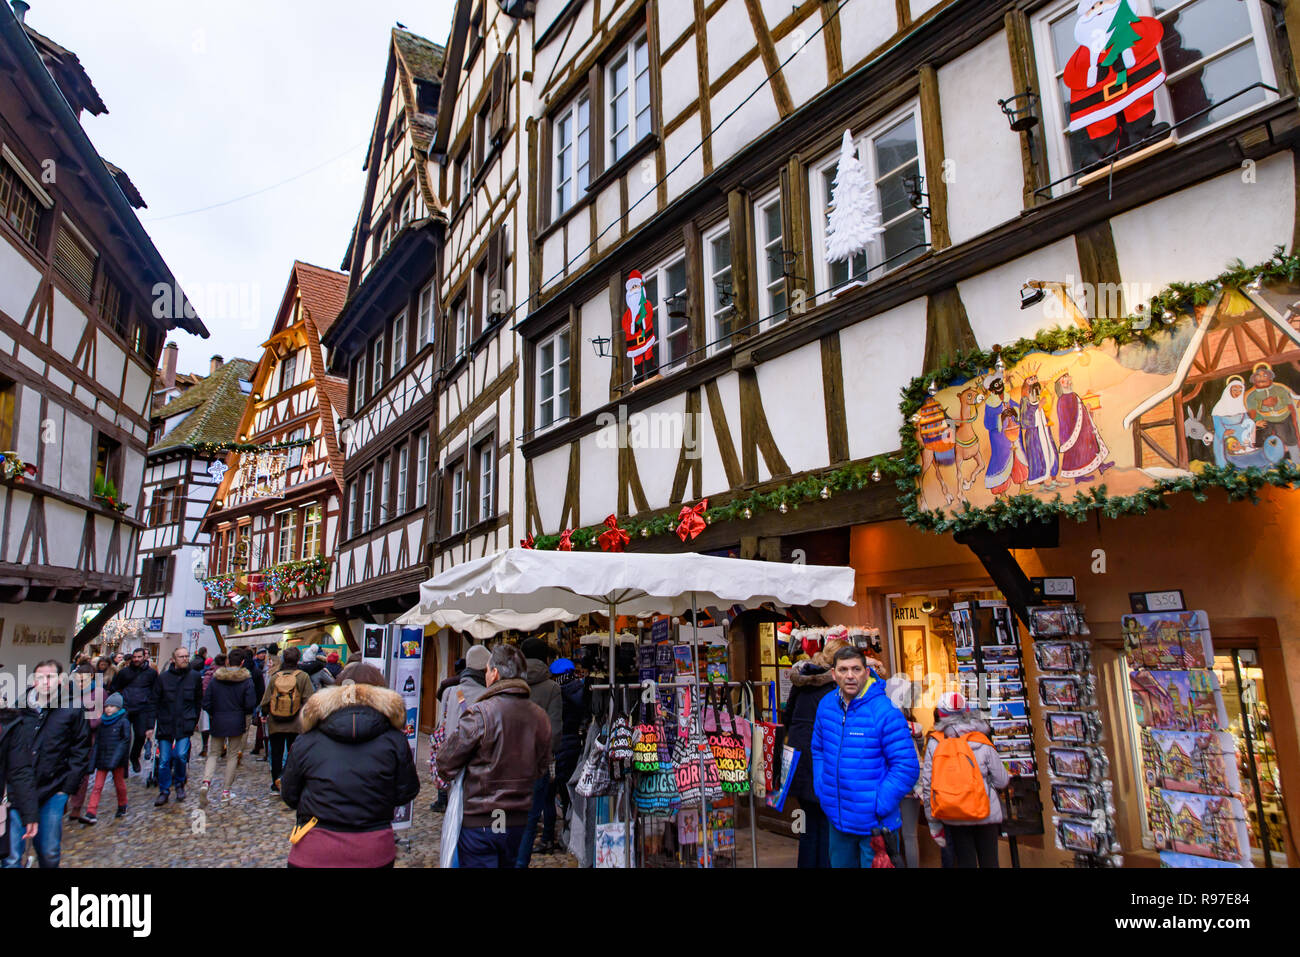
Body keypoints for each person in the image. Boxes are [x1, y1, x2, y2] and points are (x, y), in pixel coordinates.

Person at [280, 663, 420, 868]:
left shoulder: (307, 739)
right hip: (373, 849)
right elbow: (406, 791)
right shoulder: (394, 740)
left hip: (316, 849)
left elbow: (290, 795)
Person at [436, 644, 552, 868]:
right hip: (517, 820)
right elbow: (541, 767)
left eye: (487, 670)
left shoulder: (481, 713)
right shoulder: (540, 717)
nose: (486, 675)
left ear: (495, 673)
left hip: (482, 819)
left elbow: (445, 763)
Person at [811, 646, 919, 868]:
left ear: (866, 672)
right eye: (843, 669)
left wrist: (879, 803)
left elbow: (906, 766)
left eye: (856, 669)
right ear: (833, 674)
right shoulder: (826, 706)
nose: (849, 676)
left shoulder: (885, 712)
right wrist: (822, 788)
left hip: (875, 826)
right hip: (838, 819)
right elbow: (818, 749)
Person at [2, 661, 91, 868]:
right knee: (12, 855)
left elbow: (81, 750)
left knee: (49, 851)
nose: (45, 682)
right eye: (40, 677)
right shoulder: (20, 708)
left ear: (60, 680)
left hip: (52, 789)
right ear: (34, 680)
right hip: (18, 790)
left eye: (50, 677)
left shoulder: (72, 709)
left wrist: (66, 788)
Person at [920, 692, 1010, 868]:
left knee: (964, 861)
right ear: (967, 712)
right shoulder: (981, 740)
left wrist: (933, 822)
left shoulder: (935, 743)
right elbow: (1001, 780)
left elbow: (928, 785)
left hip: (954, 813)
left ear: (941, 714)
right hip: (986, 812)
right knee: (990, 861)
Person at [783, 640, 845, 868]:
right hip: (823, 762)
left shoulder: (801, 683)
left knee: (809, 826)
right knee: (828, 826)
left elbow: (787, 718)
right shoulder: (834, 689)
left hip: (800, 762)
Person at [518, 638, 562, 866]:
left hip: (508, 763)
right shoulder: (552, 688)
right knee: (530, 820)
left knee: (505, 819)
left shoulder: (512, 683)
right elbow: (555, 733)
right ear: (546, 658)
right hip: (537, 764)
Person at [431, 645, 490, 813]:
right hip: (478, 766)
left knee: (456, 812)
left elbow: (444, 726)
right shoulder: (487, 695)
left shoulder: (451, 692)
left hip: (454, 763)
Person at [200, 649, 257, 808]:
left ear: (227, 662)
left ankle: (206, 782)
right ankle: (226, 791)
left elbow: (206, 702)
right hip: (236, 720)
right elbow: (250, 704)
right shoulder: (246, 680)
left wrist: (214, 713)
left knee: (213, 753)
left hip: (218, 719)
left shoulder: (216, 679)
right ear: (242, 663)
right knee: (232, 755)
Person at [151, 647, 203, 806]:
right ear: (174, 659)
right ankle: (164, 790)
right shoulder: (163, 678)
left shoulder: (194, 677)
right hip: (166, 724)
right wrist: (150, 724)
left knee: (180, 755)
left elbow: (197, 700)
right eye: (181, 656)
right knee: (164, 760)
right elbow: (155, 700)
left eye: (187, 656)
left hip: (184, 723)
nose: (185, 659)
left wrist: (194, 719)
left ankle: (180, 783)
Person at [259, 645, 314, 792]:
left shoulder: (275, 677)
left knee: (276, 754)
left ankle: (276, 781)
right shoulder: (303, 677)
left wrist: (265, 714)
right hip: (296, 724)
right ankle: (291, 782)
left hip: (275, 724)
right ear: (298, 659)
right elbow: (309, 701)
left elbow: (265, 701)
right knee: (294, 755)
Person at [81, 693, 131, 824]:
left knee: (119, 784)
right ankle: (91, 812)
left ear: (118, 708)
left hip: (117, 761)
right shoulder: (102, 723)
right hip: (103, 759)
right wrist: (93, 761)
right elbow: (97, 743)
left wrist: (115, 760)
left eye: (112, 706)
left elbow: (125, 742)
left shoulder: (124, 722)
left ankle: (123, 804)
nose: (108, 709)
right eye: (107, 706)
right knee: (97, 786)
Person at [0, 695, 38, 864]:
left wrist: (29, 814)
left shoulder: (10, 723)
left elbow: (20, 771)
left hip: (6, 805)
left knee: (11, 859)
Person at [552, 654, 590, 817]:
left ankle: (567, 820)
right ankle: (572, 818)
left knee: (563, 783)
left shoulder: (557, 693)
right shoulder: (582, 689)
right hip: (578, 740)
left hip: (562, 742)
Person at [109, 648, 158, 774]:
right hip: (125, 708)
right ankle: (123, 764)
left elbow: (155, 692)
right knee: (124, 737)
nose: (136, 659)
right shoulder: (124, 672)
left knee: (140, 735)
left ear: (144, 657)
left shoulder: (151, 673)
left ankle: (134, 757)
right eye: (135, 657)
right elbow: (114, 687)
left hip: (142, 708)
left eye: (139, 657)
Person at [65, 664, 103, 822]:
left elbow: (97, 719)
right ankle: (63, 800)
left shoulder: (98, 693)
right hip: (67, 738)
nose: (80, 683)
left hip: (87, 739)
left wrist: (80, 723)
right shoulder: (70, 693)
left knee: (81, 774)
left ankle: (76, 806)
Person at [248, 647, 268, 757]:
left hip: (258, 699)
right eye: (261, 653)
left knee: (261, 724)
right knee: (261, 724)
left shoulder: (257, 668)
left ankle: (258, 746)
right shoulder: (256, 668)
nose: (263, 655)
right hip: (258, 698)